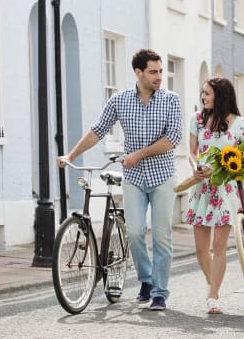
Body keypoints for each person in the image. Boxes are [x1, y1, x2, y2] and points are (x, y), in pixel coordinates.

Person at [57, 49, 182, 311]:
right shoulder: (120, 100)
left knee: (161, 237)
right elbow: (98, 130)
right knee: (135, 233)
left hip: (162, 177)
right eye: (153, 72)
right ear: (138, 73)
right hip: (134, 178)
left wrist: (139, 154)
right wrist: (71, 154)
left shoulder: (171, 100)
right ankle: (146, 281)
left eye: (160, 71)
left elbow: (172, 139)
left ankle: (159, 292)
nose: (159, 76)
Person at [183, 76, 244, 314]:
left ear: (220, 96)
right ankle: (213, 282)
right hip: (201, 188)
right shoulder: (197, 120)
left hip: (225, 189)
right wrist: (195, 168)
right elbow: (191, 152)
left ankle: (213, 296)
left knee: (219, 245)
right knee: (201, 250)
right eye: (202, 93)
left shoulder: (240, 124)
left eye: (207, 94)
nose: (203, 97)